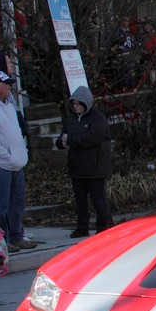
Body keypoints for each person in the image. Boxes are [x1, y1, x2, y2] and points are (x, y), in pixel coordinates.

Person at [0, 70, 36, 252]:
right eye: (6, 84)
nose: (10, 87)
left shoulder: (9, 105)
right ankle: (3, 239)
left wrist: (18, 155)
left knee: (17, 202)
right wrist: (6, 155)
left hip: (16, 162)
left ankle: (17, 235)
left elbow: (15, 132)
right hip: (0, 164)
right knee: (1, 204)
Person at [55, 86, 113, 238]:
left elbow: (91, 138)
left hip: (95, 166)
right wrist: (61, 143)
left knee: (97, 197)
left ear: (86, 103)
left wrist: (71, 140)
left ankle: (104, 225)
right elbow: (63, 138)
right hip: (77, 167)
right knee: (80, 199)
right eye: (73, 104)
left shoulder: (98, 118)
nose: (76, 107)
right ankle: (82, 226)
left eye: (79, 104)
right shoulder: (72, 119)